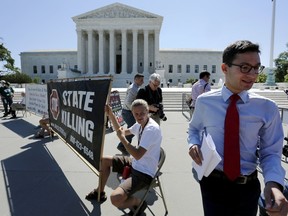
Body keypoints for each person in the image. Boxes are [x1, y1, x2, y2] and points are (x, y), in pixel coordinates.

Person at [187, 40, 288, 216]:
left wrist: (273, 183)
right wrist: (193, 143)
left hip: (247, 188)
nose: (253, 74)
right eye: (245, 67)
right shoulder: (205, 101)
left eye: (257, 68)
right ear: (225, 68)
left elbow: (271, 152)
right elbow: (194, 128)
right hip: (212, 184)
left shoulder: (267, 107)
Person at [85, 99, 162, 216]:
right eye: (136, 114)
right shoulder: (141, 124)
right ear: (132, 113)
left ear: (148, 111)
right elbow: (121, 131)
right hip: (135, 163)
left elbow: (137, 154)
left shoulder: (151, 129)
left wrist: (122, 139)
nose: (139, 116)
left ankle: (139, 203)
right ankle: (99, 192)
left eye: (142, 113)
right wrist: (110, 114)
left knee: (115, 199)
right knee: (104, 160)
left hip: (144, 172)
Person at [117, 73, 144, 155]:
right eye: (141, 80)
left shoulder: (134, 87)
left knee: (133, 129)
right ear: (136, 79)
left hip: (128, 111)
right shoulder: (133, 89)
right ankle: (122, 145)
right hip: (128, 112)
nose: (142, 82)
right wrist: (135, 111)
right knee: (133, 130)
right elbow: (128, 102)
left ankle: (125, 146)